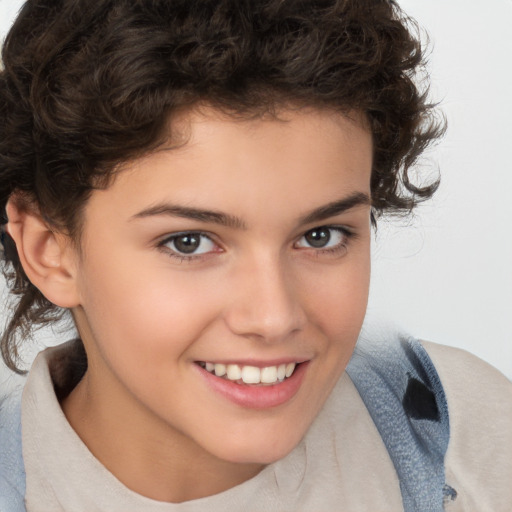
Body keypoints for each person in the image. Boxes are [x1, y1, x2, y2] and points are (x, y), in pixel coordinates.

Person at [0, 0, 510, 511]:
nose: (274, 317)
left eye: (321, 236)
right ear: (50, 252)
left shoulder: (464, 431)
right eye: (189, 242)